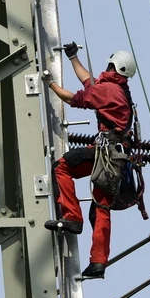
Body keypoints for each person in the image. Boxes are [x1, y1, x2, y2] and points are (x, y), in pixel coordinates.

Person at [42, 42, 137, 279]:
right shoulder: (118, 90)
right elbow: (89, 81)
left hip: (104, 152)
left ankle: (72, 217)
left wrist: (49, 84)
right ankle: (98, 263)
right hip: (118, 157)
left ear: (113, 66)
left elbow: (72, 98)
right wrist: (73, 57)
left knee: (62, 167)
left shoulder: (107, 91)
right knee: (102, 206)